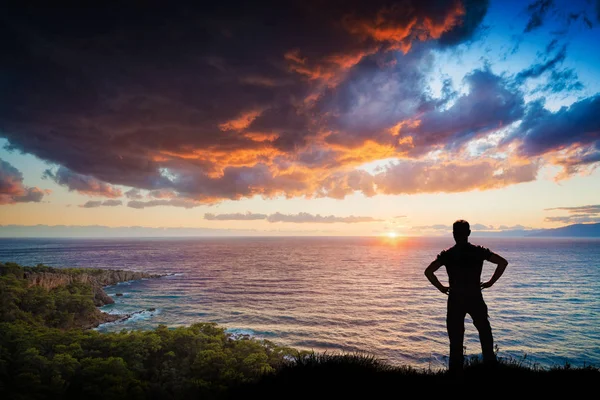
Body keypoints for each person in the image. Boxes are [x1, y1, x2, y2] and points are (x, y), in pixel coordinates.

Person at [424, 219, 508, 374]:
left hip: (455, 299)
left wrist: (441, 288)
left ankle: (456, 373)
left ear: (454, 235)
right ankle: (490, 368)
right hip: (475, 296)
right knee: (484, 333)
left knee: (456, 339)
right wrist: (491, 282)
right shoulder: (478, 251)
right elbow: (502, 262)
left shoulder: (448, 255)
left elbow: (428, 272)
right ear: (468, 233)